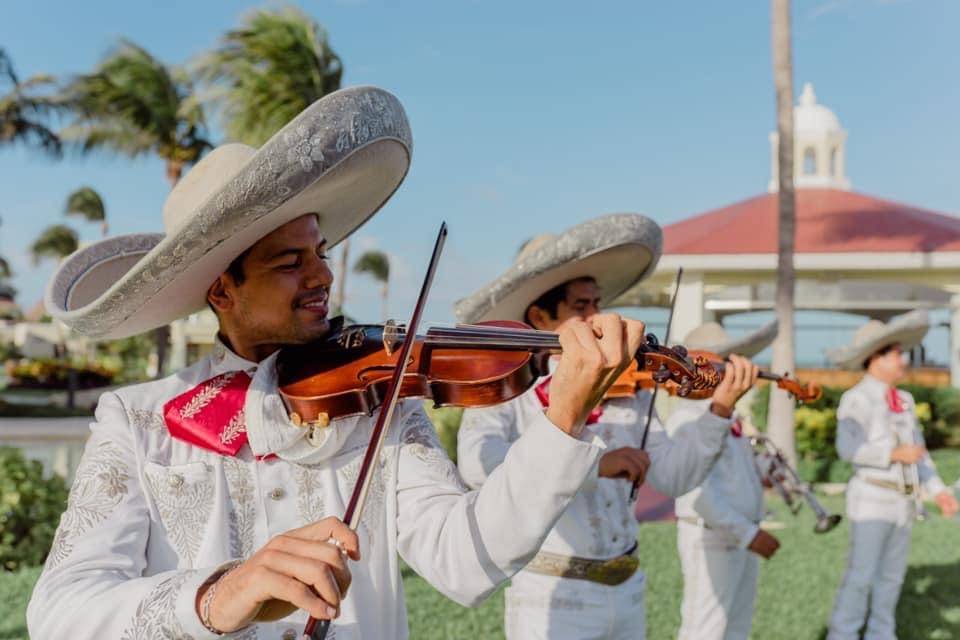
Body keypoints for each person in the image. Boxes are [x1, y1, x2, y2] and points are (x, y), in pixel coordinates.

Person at [27, 87, 646, 640]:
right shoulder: (137, 420)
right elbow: (59, 612)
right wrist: (221, 595)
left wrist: (564, 414)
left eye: (320, 251)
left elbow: (466, 560)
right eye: (289, 262)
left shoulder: (379, 398)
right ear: (222, 291)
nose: (323, 274)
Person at [454, 215, 759, 640]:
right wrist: (592, 465)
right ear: (541, 316)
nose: (599, 317)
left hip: (628, 591)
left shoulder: (630, 388)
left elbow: (675, 477)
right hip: (551, 597)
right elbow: (478, 465)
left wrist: (719, 411)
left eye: (598, 303)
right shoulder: (506, 390)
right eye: (581, 307)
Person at [826, 310, 959, 640]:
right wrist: (891, 454)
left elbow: (919, 452)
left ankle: (881, 634)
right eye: (896, 353)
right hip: (871, 497)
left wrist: (938, 489)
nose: (903, 359)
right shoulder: (856, 399)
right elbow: (848, 449)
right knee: (861, 575)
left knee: (892, 577)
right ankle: (842, 634)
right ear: (875, 359)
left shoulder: (905, 400)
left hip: (903, 500)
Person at [667, 321, 779, 640]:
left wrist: (765, 472)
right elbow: (695, 494)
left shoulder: (730, 415)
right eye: (725, 361)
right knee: (706, 628)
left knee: (736, 627)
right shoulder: (688, 417)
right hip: (713, 536)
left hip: (738, 531)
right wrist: (747, 534)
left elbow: (733, 473)